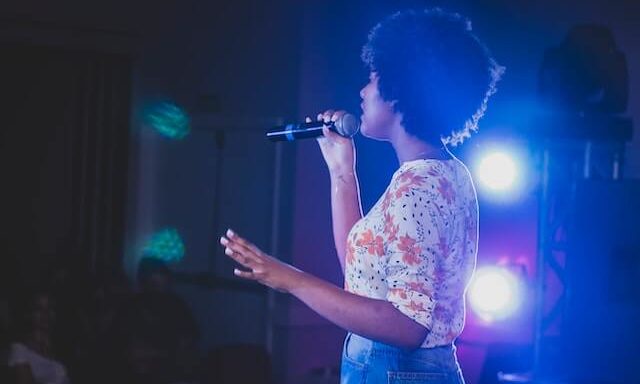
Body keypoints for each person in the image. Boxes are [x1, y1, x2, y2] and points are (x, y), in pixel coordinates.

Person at [219, 8, 503, 383]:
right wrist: (341, 172)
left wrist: (290, 279)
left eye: (372, 78)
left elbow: (407, 327)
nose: (363, 91)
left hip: (396, 372)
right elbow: (360, 277)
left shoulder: (416, 189)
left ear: (400, 90)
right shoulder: (444, 174)